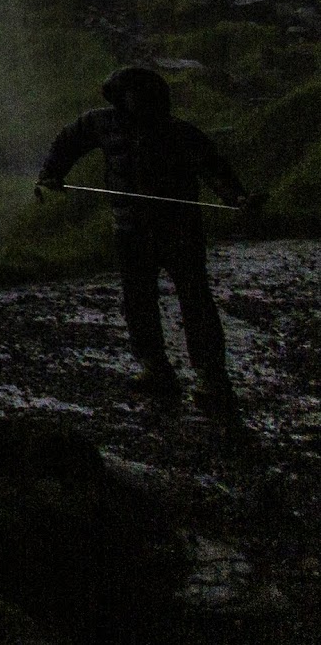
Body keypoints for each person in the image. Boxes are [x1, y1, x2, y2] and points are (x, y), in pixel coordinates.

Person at [39, 65, 253, 418]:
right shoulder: (103, 123)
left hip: (178, 231)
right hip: (132, 230)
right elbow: (68, 142)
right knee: (139, 301)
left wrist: (237, 198)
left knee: (194, 301)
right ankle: (156, 367)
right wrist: (51, 173)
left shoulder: (179, 133)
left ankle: (211, 377)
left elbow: (214, 169)